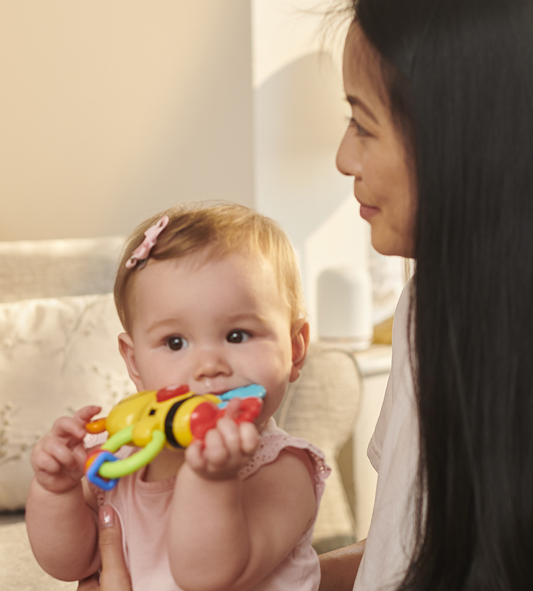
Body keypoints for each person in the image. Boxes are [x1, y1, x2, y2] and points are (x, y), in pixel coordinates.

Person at [88, 0, 533, 589]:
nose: (345, 158)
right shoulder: (431, 314)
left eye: (363, 125)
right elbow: (409, 557)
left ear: (465, 142)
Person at [27, 203, 331, 591]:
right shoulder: (122, 459)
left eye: (237, 335)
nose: (209, 366)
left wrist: (210, 479)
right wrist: (57, 491)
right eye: (175, 342)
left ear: (295, 347)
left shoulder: (282, 468)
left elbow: (206, 575)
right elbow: (70, 562)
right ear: (135, 364)